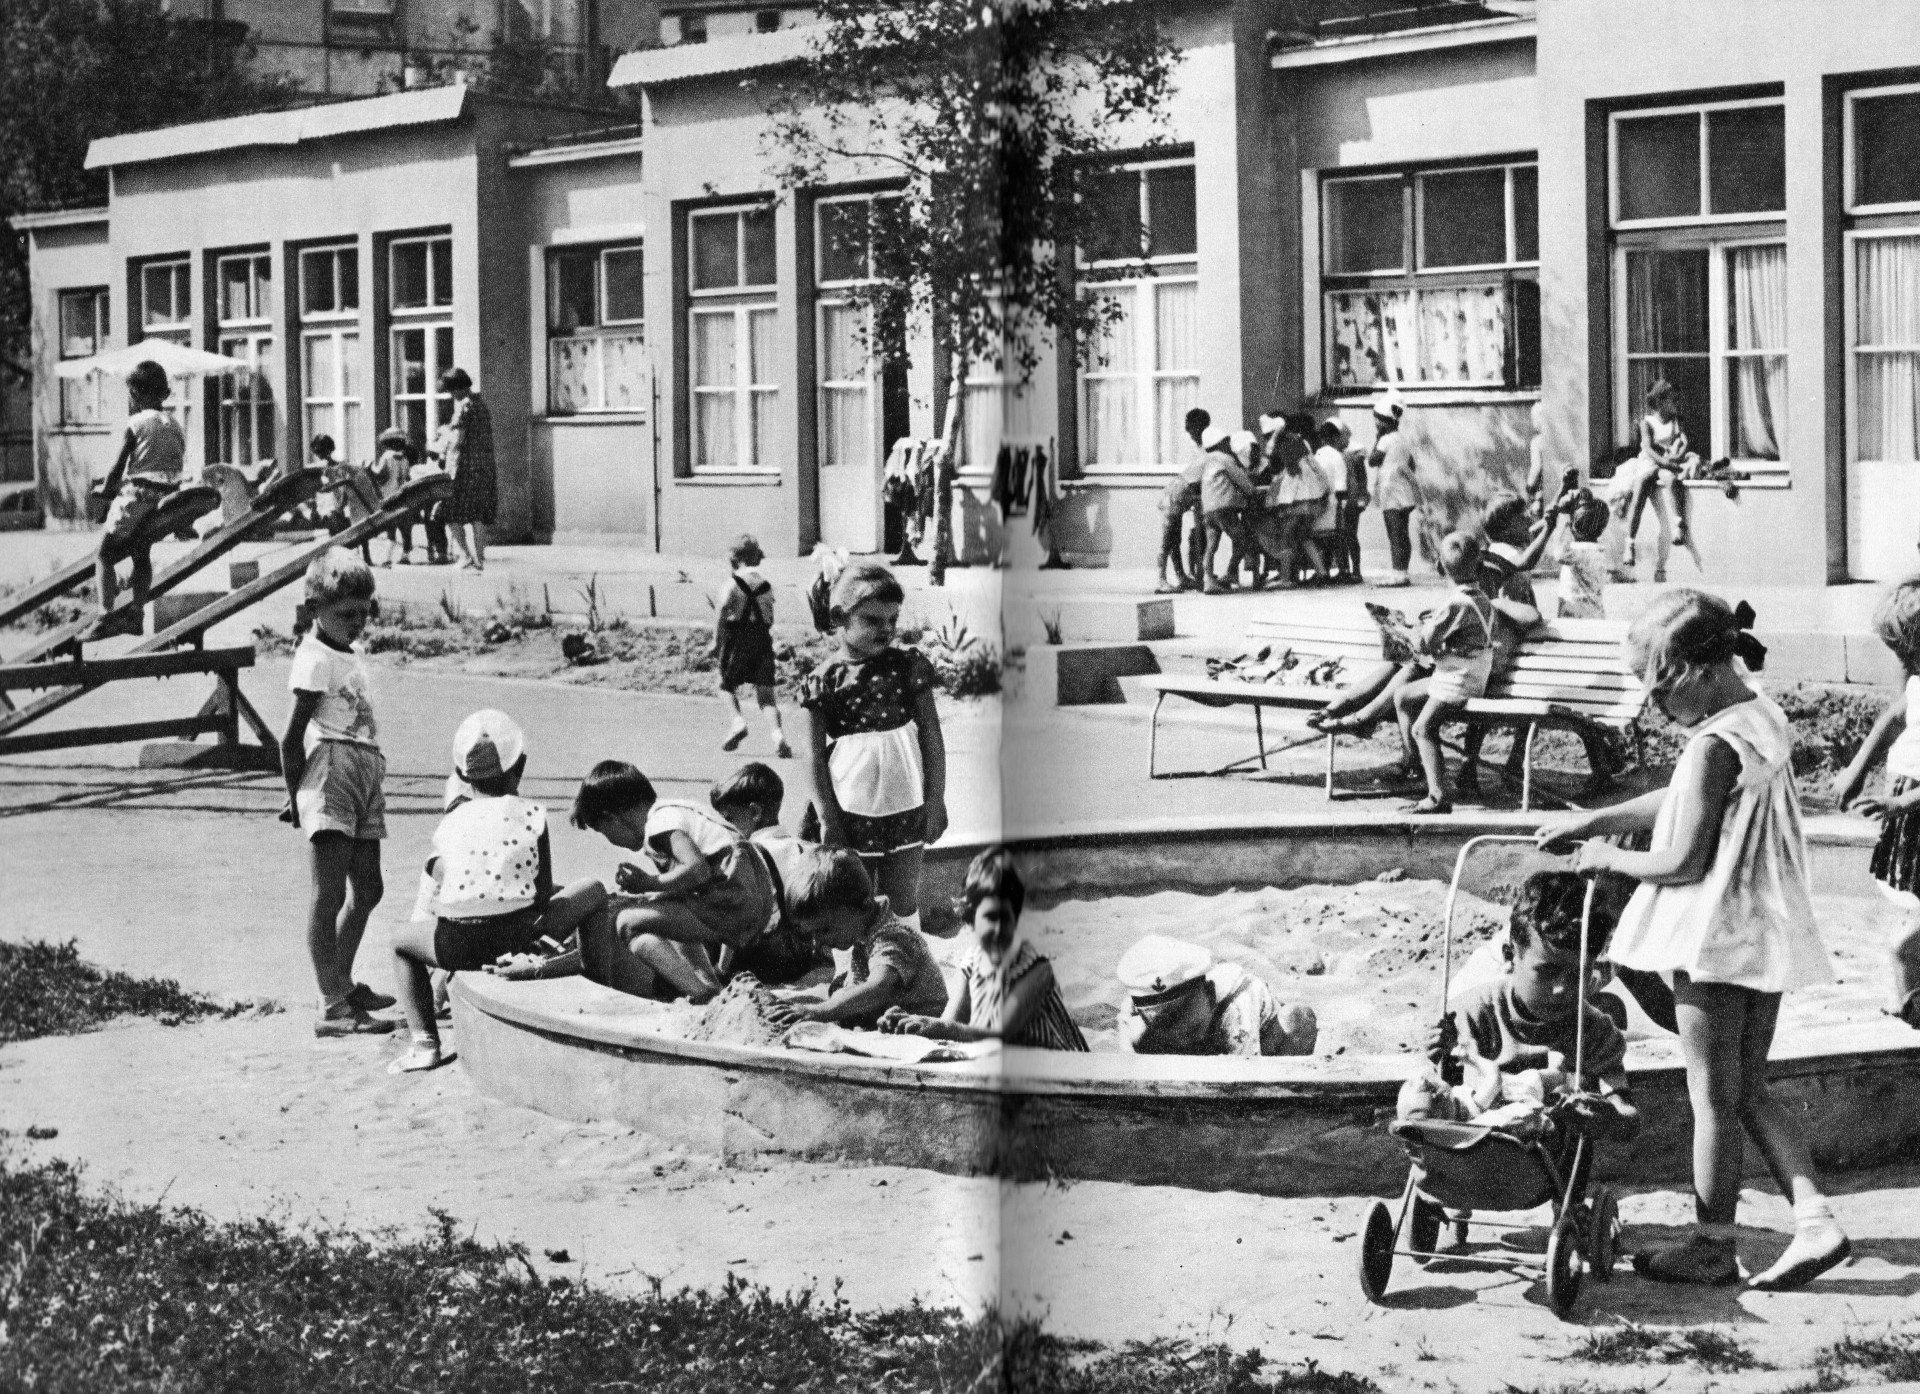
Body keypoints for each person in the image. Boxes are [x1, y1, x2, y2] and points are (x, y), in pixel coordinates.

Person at [1539, 591, 1850, 1289]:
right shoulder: (1757, 714)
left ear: (1698, 673)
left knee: (1710, 1096)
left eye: (1658, 689)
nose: (1653, 708)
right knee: (1747, 1089)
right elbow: (1686, 796)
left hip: (1714, 934)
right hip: (1758, 926)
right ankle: (1816, 1220)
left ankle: (1712, 1247)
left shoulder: (1712, 744)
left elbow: (1682, 858)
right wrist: (1596, 820)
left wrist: (1608, 858)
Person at [388, 710, 609, 1073]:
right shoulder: (532, 814)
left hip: (456, 946)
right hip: (517, 938)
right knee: (594, 890)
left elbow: (450, 883)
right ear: (520, 765)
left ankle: (424, 1042)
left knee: (400, 942)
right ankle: (600, 986)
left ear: (461, 775)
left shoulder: (451, 821)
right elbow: (540, 892)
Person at [1398, 870, 1640, 1143]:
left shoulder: (1594, 1031)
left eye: (1577, 974)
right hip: (1477, 1160)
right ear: (1510, 955)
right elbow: (1435, 1110)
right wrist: (1437, 1057)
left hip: (1557, 1166)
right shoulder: (1470, 1016)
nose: (1561, 988)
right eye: (1547, 971)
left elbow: (1629, 1120)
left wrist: (1610, 1119)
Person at [278, 549, 396, 1038]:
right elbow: (290, 739)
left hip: (364, 769)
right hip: (332, 771)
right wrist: (295, 796)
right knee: (329, 893)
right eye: (346, 614)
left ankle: (341, 982)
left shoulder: (349, 652)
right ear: (315, 610)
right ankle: (333, 1004)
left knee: (369, 888)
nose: (357, 623)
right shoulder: (314, 658)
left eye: (364, 613)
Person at [798, 563, 947, 922]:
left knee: (902, 899)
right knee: (856, 898)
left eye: (892, 620)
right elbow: (813, 755)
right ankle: (860, 956)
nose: (886, 629)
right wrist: (827, 815)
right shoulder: (824, 680)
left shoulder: (908, 667)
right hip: (852, 806)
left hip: (906, 801)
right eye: (872, 620)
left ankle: (906, 953)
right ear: (840, 617)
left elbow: (931, 735)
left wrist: (935, 799)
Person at [568, 760, 778, 1002]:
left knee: (627, 923)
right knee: (666, 908)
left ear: (612, 819)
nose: (610, 840)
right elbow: (694, 878)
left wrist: (648, 882)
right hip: (754, 900)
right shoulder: (676, 810)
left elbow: (697, 870)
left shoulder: (659, 824)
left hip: (735, 901)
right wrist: (651, 893)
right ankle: (709, 986)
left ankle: (700, 993)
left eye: (604, 831)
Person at [880, 846, 1088, 1051]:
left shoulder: (1036, 969)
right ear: (971, 917)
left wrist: (942, 1028)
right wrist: (911, 1023)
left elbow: (1002, 1034)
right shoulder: (972, 961)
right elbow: (949, 1021)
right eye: (990, 917)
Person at [1831, 578, 1920, 1031]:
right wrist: (1858, 766)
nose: (1903, 663)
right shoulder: (1918, 677)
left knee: (1904, 945)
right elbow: (1898, 713)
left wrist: (1901, 803)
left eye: (1908, 652)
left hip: (1910, 804)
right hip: (1907, 803)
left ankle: (1912, 1006)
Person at [765, 850, 948, 1028]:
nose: (817, 943)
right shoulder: (864, 933)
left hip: (924, 1021)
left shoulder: (893, 936)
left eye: (824, 930)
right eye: (811, 934)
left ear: (862, 905)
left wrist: (817, 1011)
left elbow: (878, 987)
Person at [1394, 532, 1496, 815]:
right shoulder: (1481, 599)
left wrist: (1404, 631)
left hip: (1458, 681)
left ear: (1440, 567)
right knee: (1403, 696)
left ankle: (1438, 796)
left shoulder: (1456, 603)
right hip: (1462, 674)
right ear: (1479, 566)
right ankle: (1418, 767)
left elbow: (1423, 644)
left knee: (1422, 728)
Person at [709, 762, 830, 985]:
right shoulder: (805, 848)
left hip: (766, 962)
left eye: (729, 819)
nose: (724, 828)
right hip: (802, 957)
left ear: (755, 812)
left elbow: (738, 918)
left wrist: (721, 969)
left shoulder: (748, 855)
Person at [92, 359, 186, 633]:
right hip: (166, 499)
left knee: (104, 554)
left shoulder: (135, 424)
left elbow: (117, 468)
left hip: (139, 497)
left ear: (134, 394)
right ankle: (137, 612)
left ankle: (105, 614)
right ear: (165, 394)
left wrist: (105, 491)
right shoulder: (175, 425)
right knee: (141, 553)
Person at [1116, 935, 1317, 1057]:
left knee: (1294, 1018)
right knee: (1138, 1038)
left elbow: (1243, 1080)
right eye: (1165, 1025)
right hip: (1210, 1035)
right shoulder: (1141, 1006)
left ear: (1210, 993)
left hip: (1266, 1036)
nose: (1179, 1036)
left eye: (1192, 1029)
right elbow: (1128, 1030)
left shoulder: (1238, 1010)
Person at [1614, 379, 1701, 582]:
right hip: (1650, 461)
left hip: (1667, 462)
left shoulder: (1675, 421)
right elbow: (1648, 448)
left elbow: (1682, 441)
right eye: (1672, 400)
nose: (1676, 403)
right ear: (1660, 402)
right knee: (1641, 487)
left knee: (1672, 481)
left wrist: (1678, 454)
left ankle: (1679, 524)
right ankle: (1630, 543)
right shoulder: (1647, 423)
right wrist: (1665, 462)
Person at [715, 534, 791, 758]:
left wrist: (715, 641)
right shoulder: (766, 586)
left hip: (737, 641)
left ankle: (738, 722)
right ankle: (778, 736)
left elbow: (721, 611)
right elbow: (769, 619)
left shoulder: (732, 584)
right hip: (762, 641)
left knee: (724, 685)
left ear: (734, 558)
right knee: (766, 696)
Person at [439, 367, 495, 572]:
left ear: (458, 388)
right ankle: (480, 560)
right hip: (483, 468)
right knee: (477, 515)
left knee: (449, 512)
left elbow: (458, 441)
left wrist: (443, 448)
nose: (450, 395)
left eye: (451, 390)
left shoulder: (464, 407)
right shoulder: (481, 405)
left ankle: (466, 556)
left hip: (463, 468)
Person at [1155, 408, 1211, 594]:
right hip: (1175, 496)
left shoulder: (1205, 448)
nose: (1190, 433)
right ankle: (1161, 579)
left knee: (1175, 539)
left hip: (1181, 496)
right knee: (1168, 540)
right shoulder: (1200, 450)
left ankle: (1181, 577)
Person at [1199, 425, 1260, 594]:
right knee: (1243, 540)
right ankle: (1231, 572)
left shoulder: (1205, 460)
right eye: (1227, 441)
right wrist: (1252, 491)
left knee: (1211, 546)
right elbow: (1241, 480)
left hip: (1208, 509)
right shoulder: (1225, 459)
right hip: (1224, 508)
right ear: (1221, 443)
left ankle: (1208, 580)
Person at [1369, 388, 1417, 587]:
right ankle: (1402, 571)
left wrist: (1377, 439)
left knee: (1394, 534)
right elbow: (1411, 464)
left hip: (1391, 492)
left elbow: (1372, 460)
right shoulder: (1402, 440)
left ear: (1383, 421)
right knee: (1402, 534)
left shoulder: (1385, 440)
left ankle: (1398, 574)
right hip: (1404, 491)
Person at [314, 434, 380, 566]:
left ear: (328, 451)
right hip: (334, 503)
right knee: (337, 533)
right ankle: (343, 560)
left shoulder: (341, 467)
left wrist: (340, 505)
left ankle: (365, 557)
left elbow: (345, 487)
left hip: (346, 502)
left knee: (358, 530)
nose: (320, 456)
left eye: (322, 452)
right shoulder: (323, 470)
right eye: (319, 453)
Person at [1550, 491, 1613, 621]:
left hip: (1576, 613)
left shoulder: (1580, 550)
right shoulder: (1598, 550)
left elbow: (1558, 553)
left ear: (1574, 526)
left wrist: (1564, 519)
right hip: (1593, 611)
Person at [1316, 420, 1363, 584]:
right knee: (1341, 537)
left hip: (1347, 500)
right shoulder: (1338, 456)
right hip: (1344, 500)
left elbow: (1357, 480)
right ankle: (1344, 570)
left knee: (1347, 536)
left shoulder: (1349, 456)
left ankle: (1352, 570)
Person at [370, 427, 416, 566]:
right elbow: (408, 477)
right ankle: (405, 556)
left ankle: (388, 557)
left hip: (389, 496)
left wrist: (371, 469)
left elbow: (380, 474)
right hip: (403, 496)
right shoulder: (405, 459)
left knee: (391, 529)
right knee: (405, 529)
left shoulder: (387, 456)